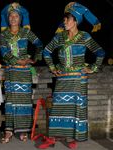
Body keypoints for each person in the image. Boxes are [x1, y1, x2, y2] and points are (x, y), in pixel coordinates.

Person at [40, 2, 105, 149]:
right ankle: (52, 138)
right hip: (63, 78)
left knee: (75, 109)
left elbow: (100, 52)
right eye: (64, 19)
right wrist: (52, 67)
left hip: (78, 79)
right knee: (58, 107)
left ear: (75, 21)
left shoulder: (85, 36)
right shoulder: (59, 37)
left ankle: (71, 138)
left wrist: (93, 68)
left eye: (67, 19)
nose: (64, 22)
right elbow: (46, 51)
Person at [0, 2, 43, 143]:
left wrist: (34, 59)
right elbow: (4, 52)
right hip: (11, 71)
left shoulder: (26, 32)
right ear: (8, 18)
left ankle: (23, 131)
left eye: (16, 16)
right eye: (11, 16)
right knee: (10, 101)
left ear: (20, 18)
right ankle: (8, 131)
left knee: (24, 101)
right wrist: (18, 61)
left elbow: (39, 44)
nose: (13, 18)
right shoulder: (4, 34)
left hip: (24, 72)